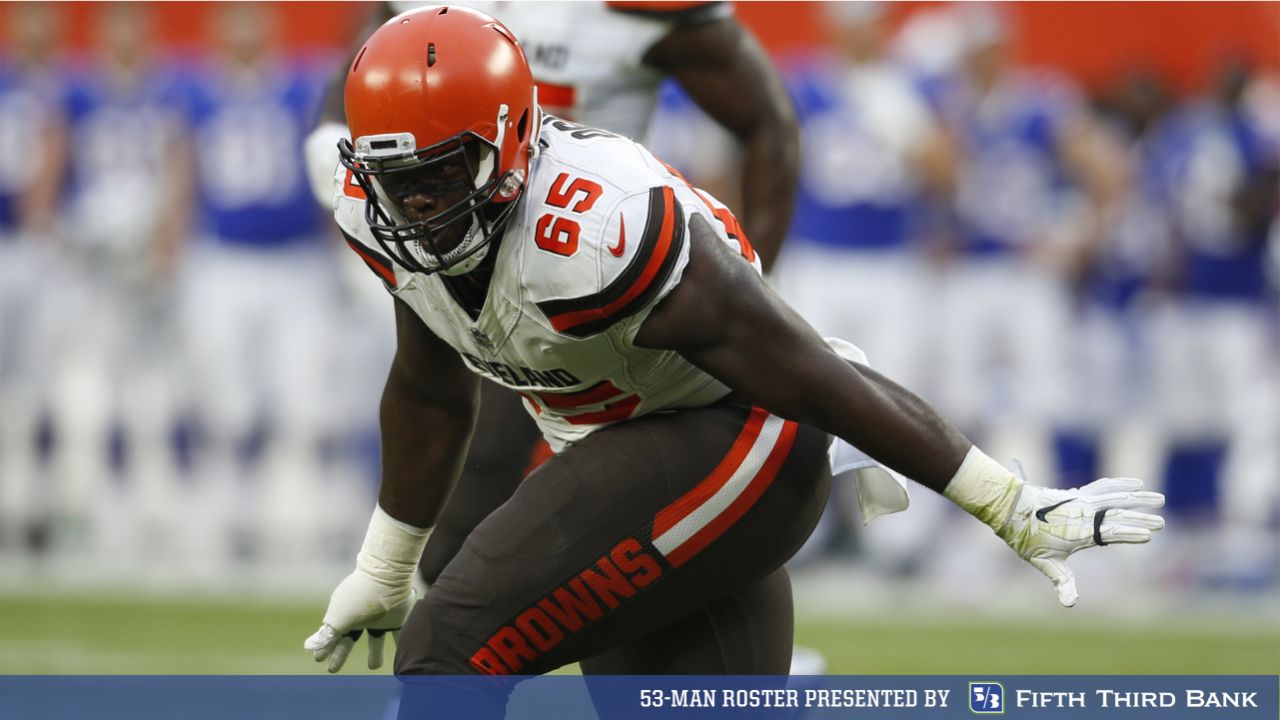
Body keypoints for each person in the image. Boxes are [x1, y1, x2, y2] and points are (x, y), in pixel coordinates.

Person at [304, 6, 1165, 679]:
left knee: (447, 647)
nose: (418, 208)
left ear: (512, 141)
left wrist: (1006, 504)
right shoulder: (374, 212)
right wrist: (384, 565)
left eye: (443, 175)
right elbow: (427, 388)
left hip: (744, 438)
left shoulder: (601, 229)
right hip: (624, 448)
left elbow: (812, 376)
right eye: (397, 182)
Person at [304, 0, 801, 608]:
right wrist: (334, 163)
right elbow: (360, 75)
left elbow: (766, 120)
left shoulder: (629, 14)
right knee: (468, 509)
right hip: (466, 267)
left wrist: (753, 286)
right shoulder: (424, 20)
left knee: (608, 523)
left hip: (596, 280)